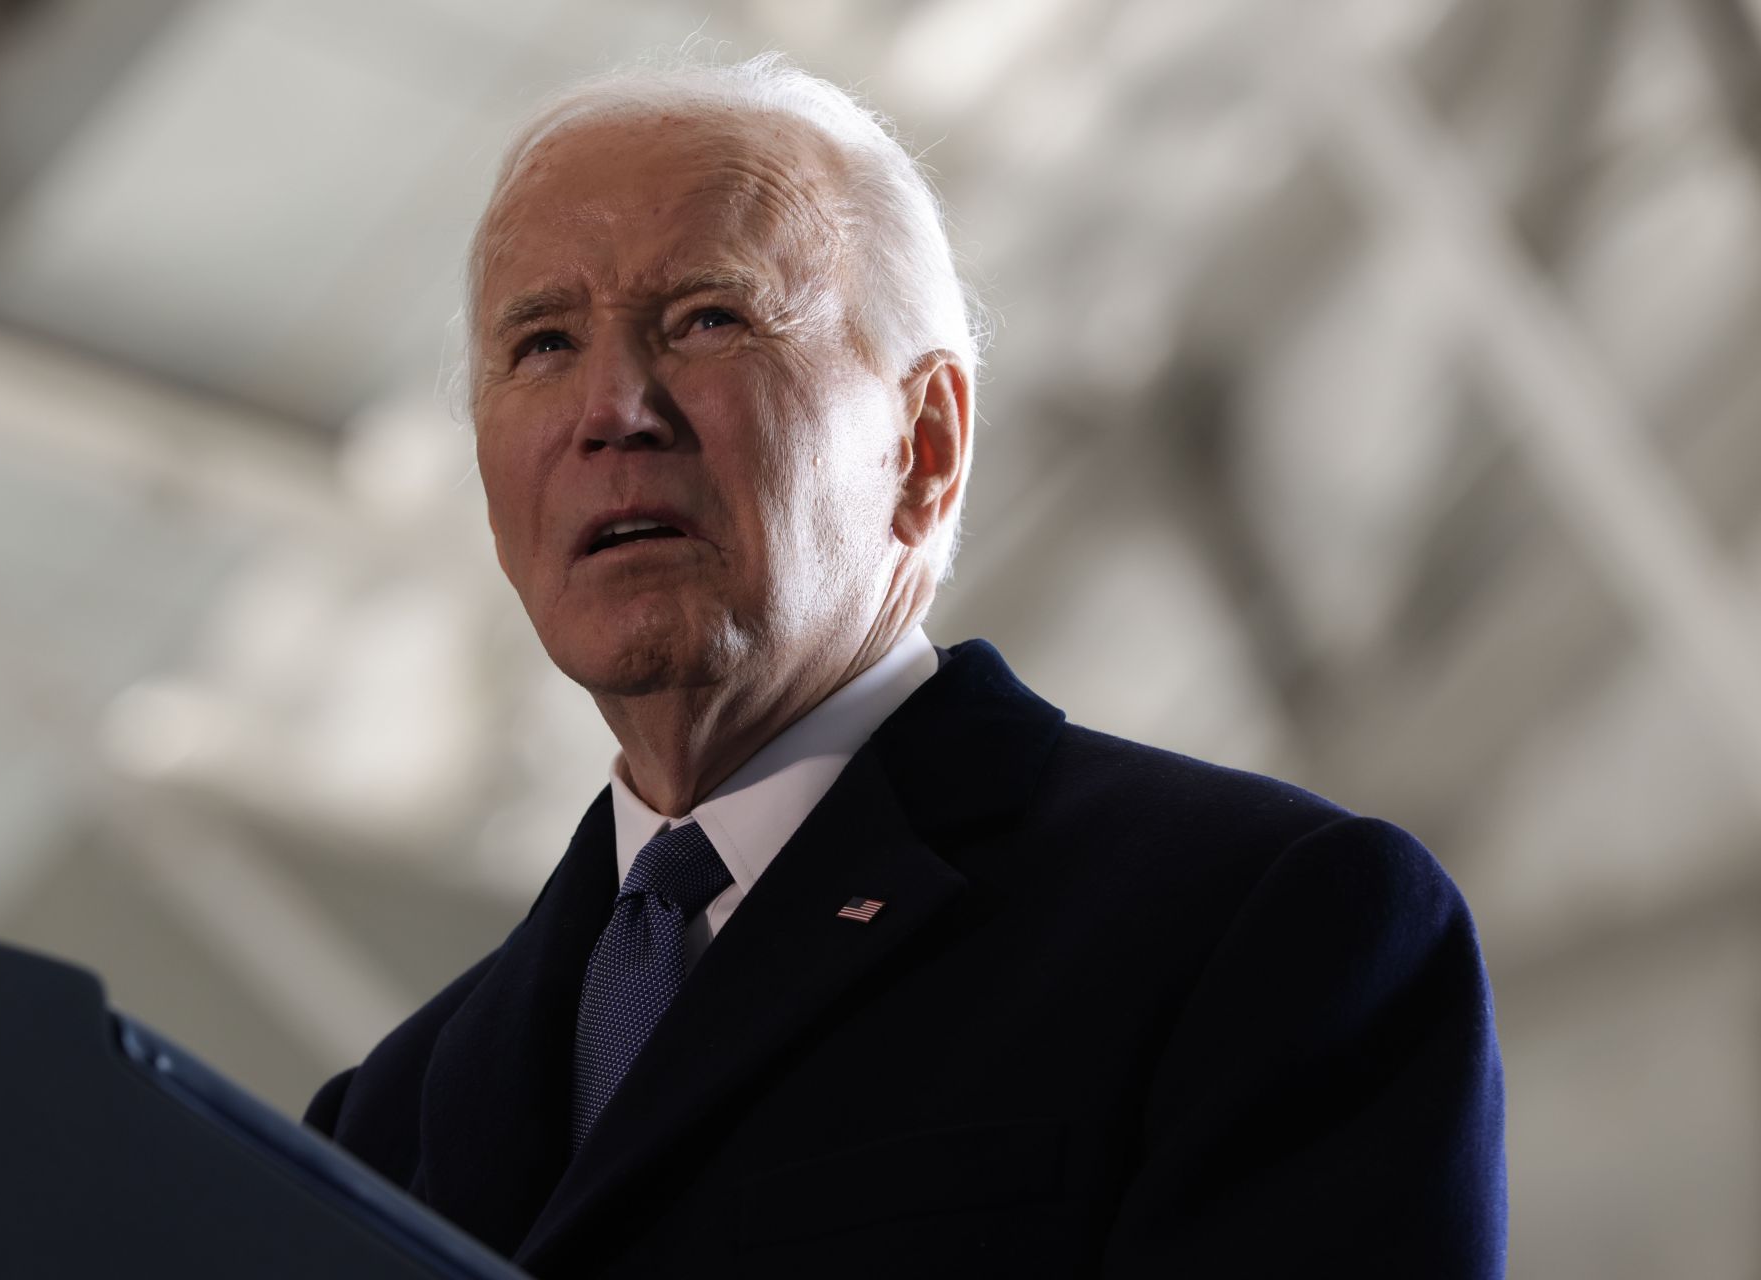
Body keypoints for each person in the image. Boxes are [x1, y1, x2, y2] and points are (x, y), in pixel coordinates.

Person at [304, 53, 1506, 1279]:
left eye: (708, 317)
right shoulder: (382, 1118)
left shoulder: (1260, 928)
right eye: (544, 342)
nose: (614, 405)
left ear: (924, 444)